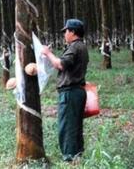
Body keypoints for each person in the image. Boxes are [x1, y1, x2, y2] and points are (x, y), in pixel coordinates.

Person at [42, 19, 89, 162]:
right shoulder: (80, 46)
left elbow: (61, 64)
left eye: (66, 31)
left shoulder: (75, 47)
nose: (64, 34)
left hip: (70, 93)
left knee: (67, 127)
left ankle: (69, 159)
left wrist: (48, 53)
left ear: (73, 32)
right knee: (74, 126)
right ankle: (76, 157)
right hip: (75, 92)